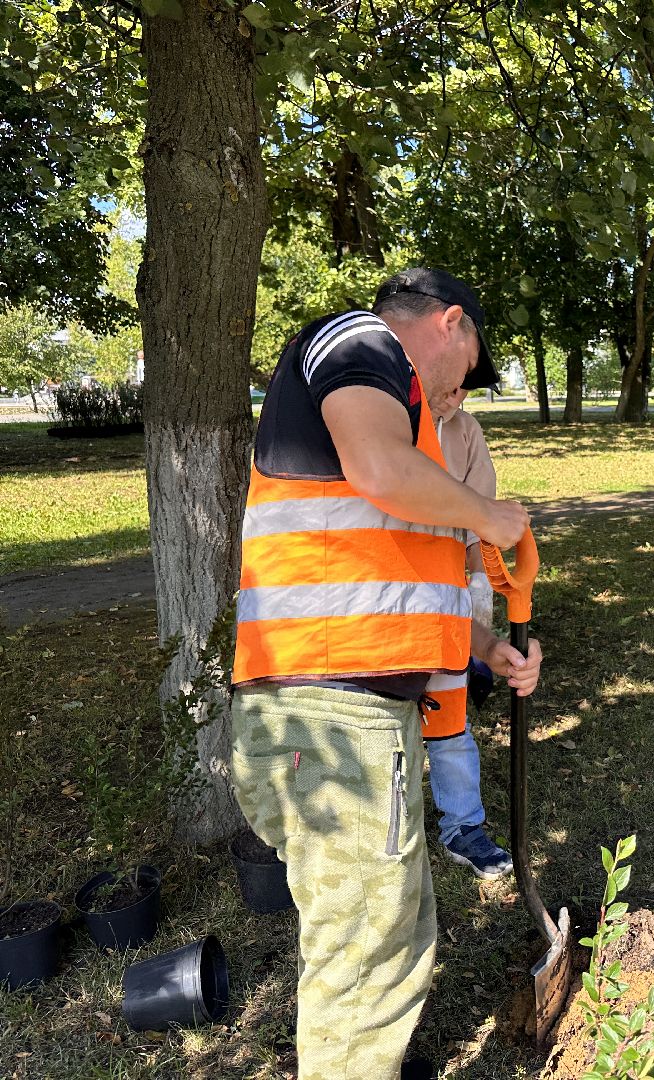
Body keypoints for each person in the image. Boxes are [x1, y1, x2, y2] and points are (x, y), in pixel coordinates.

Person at [229, 267, 543, 1079]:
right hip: (324, 714)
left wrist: (485, 649)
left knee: (389, 926)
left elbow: (399, 577)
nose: (456, 396)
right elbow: (377, 468)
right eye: (465, 373)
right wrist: (489, 514)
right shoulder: (360, 342)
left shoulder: (417, 434)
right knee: (367, 948)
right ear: (451, 324)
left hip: (356, 714)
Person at [423, 383, 513, 879]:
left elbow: (481, 515)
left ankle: (463, 828)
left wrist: (479, 580)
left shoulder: (466, 432)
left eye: (465, 387)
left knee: (450, 715)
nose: (455, 395)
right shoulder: (389, 421)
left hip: (448, 596)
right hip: (385, 606)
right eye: (449, 382)